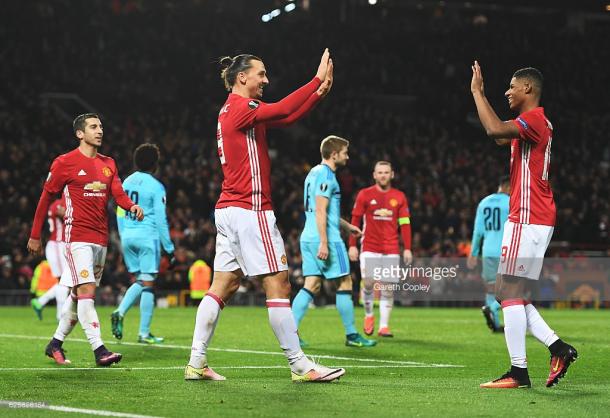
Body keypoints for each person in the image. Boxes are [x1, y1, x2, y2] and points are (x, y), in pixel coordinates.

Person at [185, 50, 345, 382]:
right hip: (250, 210)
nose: (266, 80)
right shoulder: (242, 107)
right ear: (242, 77)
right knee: (279, 284)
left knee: (224, 285)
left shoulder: (231, 110)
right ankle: (300, 365)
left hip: (228, 209)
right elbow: (285, 109)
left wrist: (316, 96)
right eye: (261, 74)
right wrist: (315, 81)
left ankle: (196, 362)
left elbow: (285, 118)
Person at [471, 62, 577, 388]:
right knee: (516, 295)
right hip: (537, 217)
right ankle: (559, 349)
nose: (507, 91)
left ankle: (518, 372)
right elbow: (501, 136)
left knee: (507, 292)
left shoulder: (532, 119)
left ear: (528, 89)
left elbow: (493, 130)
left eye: (512, 86)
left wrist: (477, 91)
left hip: (528, 216)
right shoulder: (533, 123)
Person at [27, 113, 144, 367]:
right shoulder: (64, 163)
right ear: (80, 133)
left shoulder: (108, 163)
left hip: (100, 239)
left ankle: (55, 344)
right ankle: (99, 350)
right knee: (87, 292)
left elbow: (118, 194)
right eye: (93, 127)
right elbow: (45, 198)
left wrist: (131, 206)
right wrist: (35, 235)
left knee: (76, 295)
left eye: (101, 126)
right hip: (76, 236)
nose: (99, 130)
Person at [293, 136, 375, 348]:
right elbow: (320, 210)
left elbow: (322, 209)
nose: (347, 157)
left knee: (312, 284)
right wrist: (324, 242)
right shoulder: (327, 176)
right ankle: (351, 334)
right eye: (345, 153)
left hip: (308, 236)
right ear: (334, 154)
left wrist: (347, 226)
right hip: (327, 239)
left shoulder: (313, 173)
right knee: (345, 282)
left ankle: (289, 333)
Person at [111, 143, 175, 344]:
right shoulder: (156, 186)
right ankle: (120, 312)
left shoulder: (127, 182)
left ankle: (144, 333)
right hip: (147, 236)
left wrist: (124, 236)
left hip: (128, 236)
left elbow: (120, 211)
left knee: (144, 281)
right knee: (146, 281)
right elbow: (160, 219)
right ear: (155, 164)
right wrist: (169, 248)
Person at [348, 161, 413, 338]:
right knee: (368, 282)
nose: (383, 175)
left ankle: (384, 326)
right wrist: (352, 245)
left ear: (392, 174)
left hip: (391, 248)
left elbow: (405, 224)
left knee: (388, 287)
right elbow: (355, 221)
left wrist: (407, 248)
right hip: (369, 246)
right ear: (374, 175)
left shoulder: (399, 196)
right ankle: (369, 315)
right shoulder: (365, 194)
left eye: (386, 172)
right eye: (380, 172)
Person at [467, 176, 510, 333]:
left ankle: (496, 324)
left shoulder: (483, 202)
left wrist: (473, 253)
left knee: (491, 288)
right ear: (508, 187)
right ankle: (492, 308)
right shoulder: (511, 202)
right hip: (506, 251)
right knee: (513, 288)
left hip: (487, 251)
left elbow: (478, 232)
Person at [31, 197, 70, 322]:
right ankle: (60, 315)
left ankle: (41, 302)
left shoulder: (58, 203)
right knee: (64, 281)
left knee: (65, 282)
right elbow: (63, 214)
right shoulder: (59, 204)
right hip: (58, 244)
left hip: (59, 245)